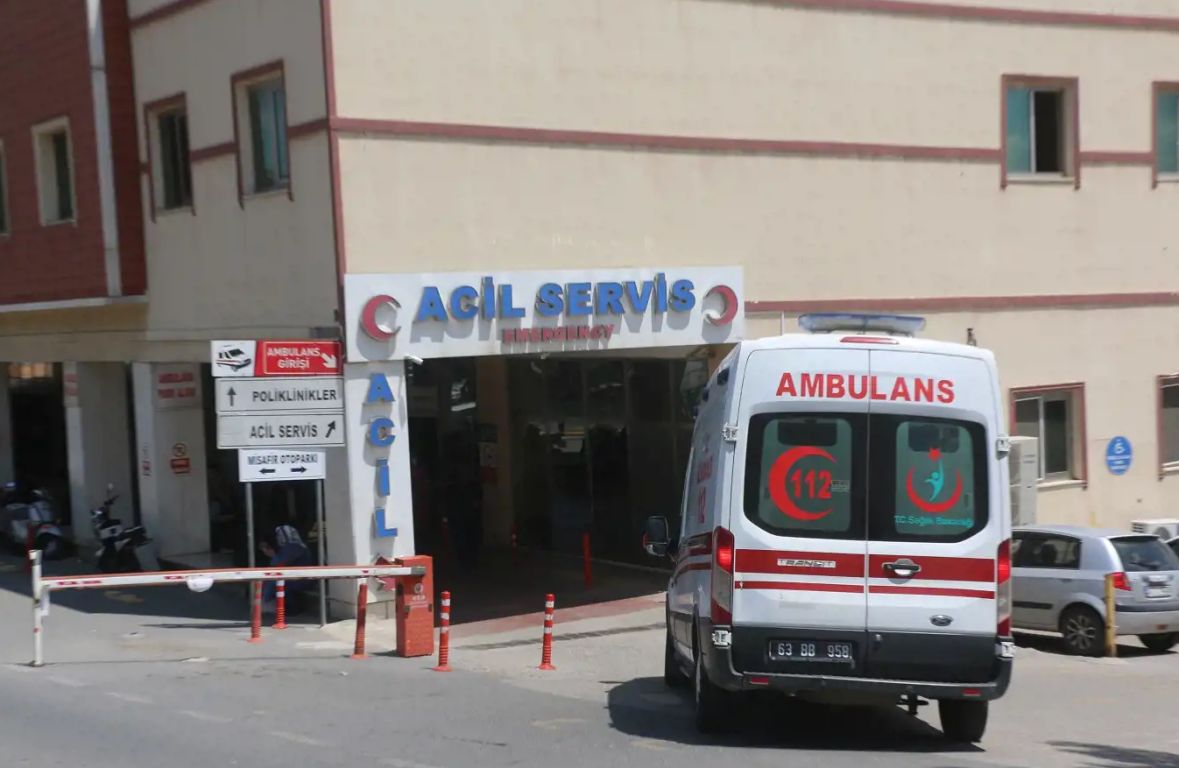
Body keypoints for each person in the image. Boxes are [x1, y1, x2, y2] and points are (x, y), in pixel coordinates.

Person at [259, 525, 312, 613]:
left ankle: (265, 604)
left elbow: (278, 564)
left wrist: (272, 554)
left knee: (272, 582)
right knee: (267, 580)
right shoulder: (290, 547)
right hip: (294, 578)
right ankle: (265, 604)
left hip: (300, 580)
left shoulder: (294, 546)